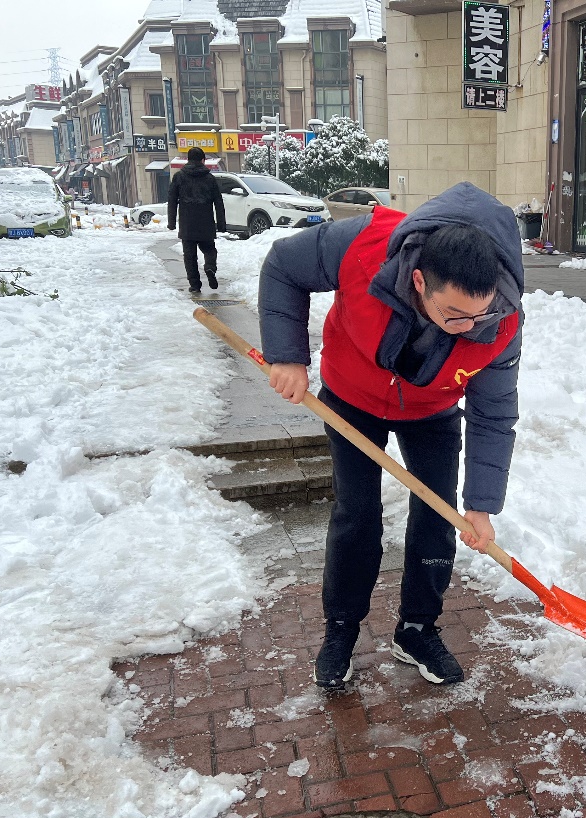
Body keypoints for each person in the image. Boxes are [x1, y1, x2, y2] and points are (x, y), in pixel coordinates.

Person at [259, 181, 524, 689]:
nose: (469, 328)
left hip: (432, 408)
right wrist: (287, 356)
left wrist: (482, 505)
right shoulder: (364, 244)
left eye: (480, 314)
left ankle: (418, 628)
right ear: (419, 281)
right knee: (357, 513)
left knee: (438, 514)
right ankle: (341, 628)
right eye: (454, 315)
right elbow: (283, 267)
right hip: (352, 398)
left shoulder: (501, 319)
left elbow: (493, 412)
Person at [167, 147, 226, 294]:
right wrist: (221, 224)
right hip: (206, 221)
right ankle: (210, 267)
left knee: (189, 256)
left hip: (187, 222)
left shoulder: (179, 177)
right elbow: (218, 202)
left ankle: (195, 285)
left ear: (188, 160)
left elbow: (172, 200)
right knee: (209, 249)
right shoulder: (210, 178)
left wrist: (171, 222)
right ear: (203, 160)